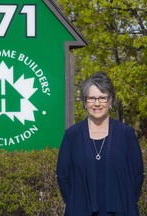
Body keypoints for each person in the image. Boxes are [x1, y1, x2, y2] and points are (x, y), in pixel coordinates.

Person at [56, 71, 144, 216]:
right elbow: (63, 176)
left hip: (121, 210)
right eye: (91, 98)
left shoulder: (126, 134)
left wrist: (126, 202)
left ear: (110, 101)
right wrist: (76, 203)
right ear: (85, 102)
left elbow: (137, 175)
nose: (97, 103)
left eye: (102, 98)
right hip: (80, 210)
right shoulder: (72, 135)